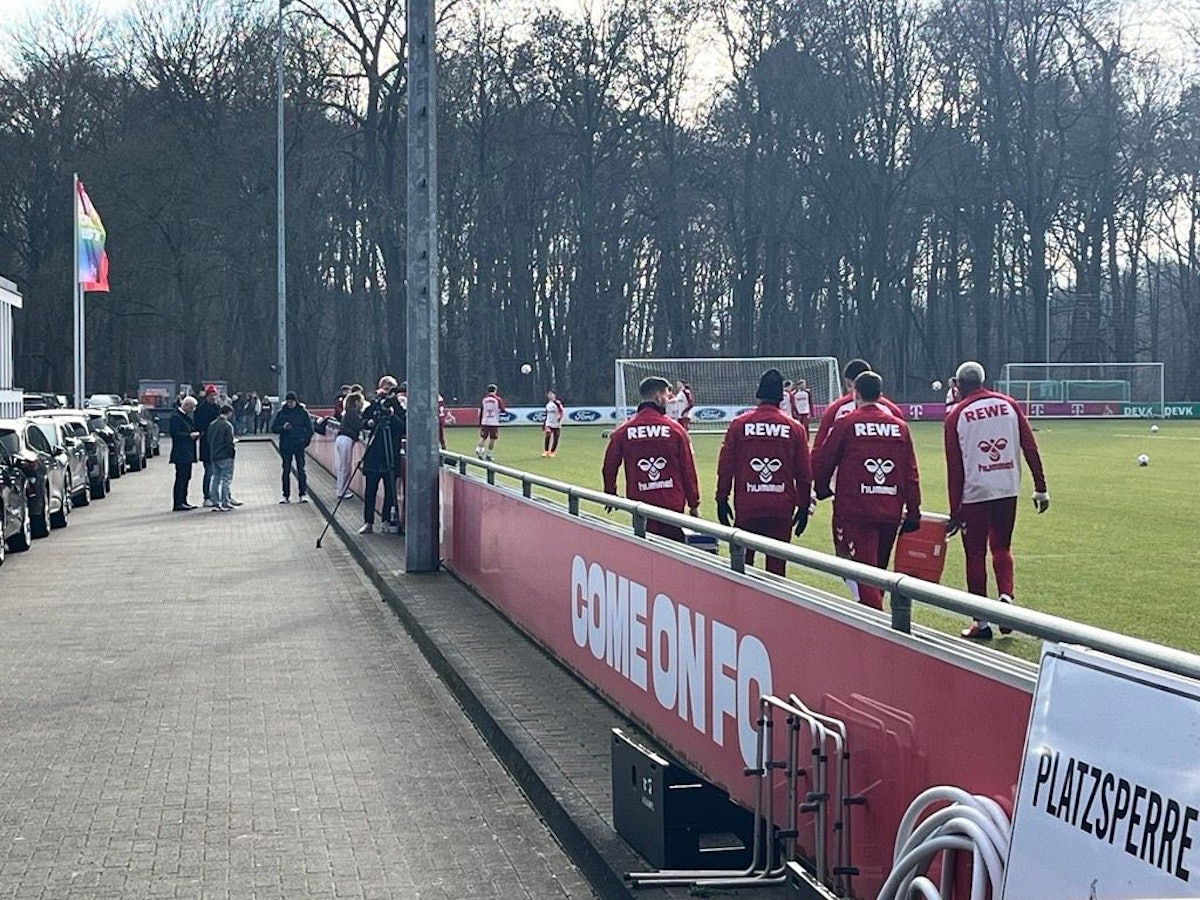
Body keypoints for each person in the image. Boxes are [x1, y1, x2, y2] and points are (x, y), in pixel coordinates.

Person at [944, 361, 1049, 640]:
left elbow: (954, 468)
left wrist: (954, 511)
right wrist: (1040, 487)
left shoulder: (956, 415)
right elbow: (1030, 446)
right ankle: (1006, 599)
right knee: (1002, 546)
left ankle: (981, 623)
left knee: (975, 554)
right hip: (1007, 487)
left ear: (958, 384)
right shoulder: (1009, 405)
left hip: (974, 493)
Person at [812, 371, 922, 610]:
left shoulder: (847, 423)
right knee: (878, 574)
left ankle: (880, 632)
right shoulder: (900, 427)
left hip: (857, 510)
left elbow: (825, 459)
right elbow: (910, 472)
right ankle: (874, 622)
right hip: (890, 509)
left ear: (855, 394)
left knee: (864, 576)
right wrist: (914, 511)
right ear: (881, 396)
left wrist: (821, 488)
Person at [716, 369, 812, 575]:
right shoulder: (795, 428)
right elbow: (804, 474)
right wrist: (803, 506)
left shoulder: (739, 425)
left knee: (742, 567)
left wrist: (721, 498)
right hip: (781, 506)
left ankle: (741, 606)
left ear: (758, 394)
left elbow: (726, 465)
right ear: (781, 398)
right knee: (777, 571)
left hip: (748, 504)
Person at [602, 376, 701, 542]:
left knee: (644, 553)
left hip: (640, 504)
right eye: (667, 395)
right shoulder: (676, 430)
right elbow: (688, 469)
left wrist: (610, 494)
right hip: (672, 504)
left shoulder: (624, 431)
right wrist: (693, 504)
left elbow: (609, 467)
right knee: (672, 555)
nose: (669, 400)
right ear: (658, 396)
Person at [812, 359, 905, 452]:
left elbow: (820, 447)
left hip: (848, 465)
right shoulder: (892, 410)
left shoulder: (835, 408)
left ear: (848, 382)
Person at [359, 377, 406, 534]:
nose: (387, 391)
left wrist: (392, 415)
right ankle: (368, 522)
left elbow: (403, 427)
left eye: (391, 388)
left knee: (390, 490)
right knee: (370, 489)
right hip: (374, 452)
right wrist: (370, 423)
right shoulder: (374, 404)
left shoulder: (398, 407)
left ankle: (386, 520)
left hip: (390, 453)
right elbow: (362, 421)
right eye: (385, 388)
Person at [271, 391, 314, 503]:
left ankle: (302, 493)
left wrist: (305, 442)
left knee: (301, 469)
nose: (290, 404)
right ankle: (285, 495)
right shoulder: (282, 413)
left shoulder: (302, 412)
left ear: (295, 401)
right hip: (286, 445)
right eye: (289, 402)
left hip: (299, 444)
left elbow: (310, 429)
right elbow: (273, 428)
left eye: (292, 402)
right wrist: (282, 428)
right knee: (286, 470)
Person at [169, 396, 201, 511]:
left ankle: (184, 500)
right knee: (181, 478)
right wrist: (189, 436)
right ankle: (178, 502)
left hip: (187, 453)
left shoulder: (186, 417)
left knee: (187, 477)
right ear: (186, 405)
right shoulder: (175, 417)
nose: (192, 410)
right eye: (191, 408)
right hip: (180, 453)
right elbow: (175, 434)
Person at [194, 384, 221, 507]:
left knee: (219, 472)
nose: (213, 397)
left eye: (214, 395)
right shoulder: (201, 409)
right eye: (211, 395)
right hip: (206, 444)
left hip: (217, 446)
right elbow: (198, 425)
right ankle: (207, 496)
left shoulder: (217, 408)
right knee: (209, 471)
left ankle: (218, 495)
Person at [335, 390, 364, 499]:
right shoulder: (352, 413)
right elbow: (359, 425)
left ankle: (341, 489)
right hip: (346, 440)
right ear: (356, 402)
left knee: (342, 466)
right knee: (345, 467)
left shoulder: (347, 413)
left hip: (341, 439)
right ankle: (342, 491)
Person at [207, 404, 236, 511]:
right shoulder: (227, 426)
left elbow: (209, 439)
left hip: (214, 455)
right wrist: (232, 453)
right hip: (225, 456)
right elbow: (229, 442)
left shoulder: (212, 424)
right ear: (229, 413)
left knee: (215, 479)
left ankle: (215, 502)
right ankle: (225, 501)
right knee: (226, 479)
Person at [475, 384, 506, 460]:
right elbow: (503, 410)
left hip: (485, 421)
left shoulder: (484, 399)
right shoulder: (497, 399)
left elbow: (481, 411)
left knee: (483, 437)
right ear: (495, 390)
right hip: (494, 422)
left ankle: (479, 449)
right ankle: (489, 454)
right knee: (492, 438)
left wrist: (480, 421)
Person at [542, 390, 565, 457]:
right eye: (549, 394)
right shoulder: (548, 404)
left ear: (554, 395)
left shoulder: (557, 403)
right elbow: (546, 414)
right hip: (549, 423)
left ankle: (552, 452)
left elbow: (562, 411)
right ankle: (546, 451)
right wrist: (544, 424)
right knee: (548, 435)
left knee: (556, 438)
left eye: (551, 394)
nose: (550, 396)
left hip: (556, 424)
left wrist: (559, 418)